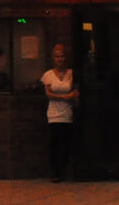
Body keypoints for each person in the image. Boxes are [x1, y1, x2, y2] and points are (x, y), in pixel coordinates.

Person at [40, 43, 79, 182]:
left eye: (62, 56)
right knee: (55, 142)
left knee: (66, 142)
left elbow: (76, 91)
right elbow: (49, 94)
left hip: (67, 113)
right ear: (53, 58)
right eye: (57, 57)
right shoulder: (48, 75)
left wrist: (74, 98)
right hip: (54, 114)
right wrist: (66, 97)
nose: (59, 59)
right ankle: (55, 172)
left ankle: (64, 169)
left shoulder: (71, 74)